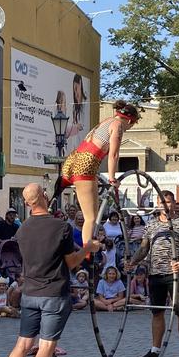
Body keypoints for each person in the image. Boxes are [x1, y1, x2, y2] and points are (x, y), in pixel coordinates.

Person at [0, 183, 96, 357]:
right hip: (53, 292)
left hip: (30, 293)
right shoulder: (59, 227)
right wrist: (87, 248)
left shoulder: (23, 229)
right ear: (44, 196)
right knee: (46, 347)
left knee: (22, 344)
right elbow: (71, 262)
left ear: (26, 202)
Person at [126, 190, 179, 357]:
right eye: (162, 202)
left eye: (169, 202)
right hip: (155, 273)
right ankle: (154, 350)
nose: (166, 205)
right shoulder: (151, 225)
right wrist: (133, 262)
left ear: (173, 203)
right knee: (157, 312)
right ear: (157, 204)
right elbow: (144, 248)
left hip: (175, 274)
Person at [56, 100, 139, 249]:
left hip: (72, 161)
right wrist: (113, 178)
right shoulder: (118, 126)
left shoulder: (107, 121)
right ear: (128, 119)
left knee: (92, 213)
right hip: (85, 165)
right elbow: (113, 155)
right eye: (132, 124)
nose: (130, 128)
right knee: (91, 217)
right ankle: (87, 252)